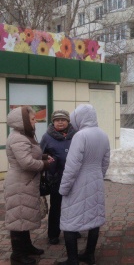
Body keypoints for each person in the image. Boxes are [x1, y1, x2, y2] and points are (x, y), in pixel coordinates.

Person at [58, 104, 110, 265]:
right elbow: (105, 161)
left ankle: (72, 260)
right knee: (94, 218)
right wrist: (98, 176)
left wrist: (64, 188)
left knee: (70, 221)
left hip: (78, 182)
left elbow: (72, 166)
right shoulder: (103, 134)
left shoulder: (80, 136)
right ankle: (89, 255)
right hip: (95, 180)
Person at [4, 106, 54, 265]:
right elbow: (26, 162)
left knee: (23, 217)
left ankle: (26, 247)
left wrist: (44, 156)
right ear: (23, 121)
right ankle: (17, 255)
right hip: (19, 184)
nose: (36, 121)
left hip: (25, 183)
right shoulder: (18, 138)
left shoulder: (24, 136)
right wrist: (45, 164)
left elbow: (30, 154)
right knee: (18, 218)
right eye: (32, 119)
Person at [40, 110, 76, 245]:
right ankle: (53, 234)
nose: (60, 122)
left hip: (73, 177)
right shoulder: (47, 137)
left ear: (68, 121)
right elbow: (39, 155)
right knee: (56, 206)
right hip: (56, 178)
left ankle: (73, 229)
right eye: (57, 120)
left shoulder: (76, 135)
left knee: (73, 205)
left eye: (63, 120)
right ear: (53, 122)